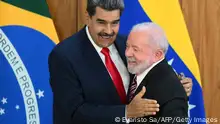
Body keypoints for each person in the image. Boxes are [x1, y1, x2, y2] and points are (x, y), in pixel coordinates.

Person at [48, 0, 192, 124]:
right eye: (101, 22)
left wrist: (175, 85)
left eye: (115, 23)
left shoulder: (127, 44)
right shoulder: (64, 56)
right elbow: (73, 113)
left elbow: (155, 71)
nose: (108, 31)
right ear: (88, 17)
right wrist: (126, 112)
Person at [125, 22, 188, 124]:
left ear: (157, 55)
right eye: (127, 46)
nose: (127, 53)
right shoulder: (140, 67)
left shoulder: (171, 92)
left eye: (135, 49)